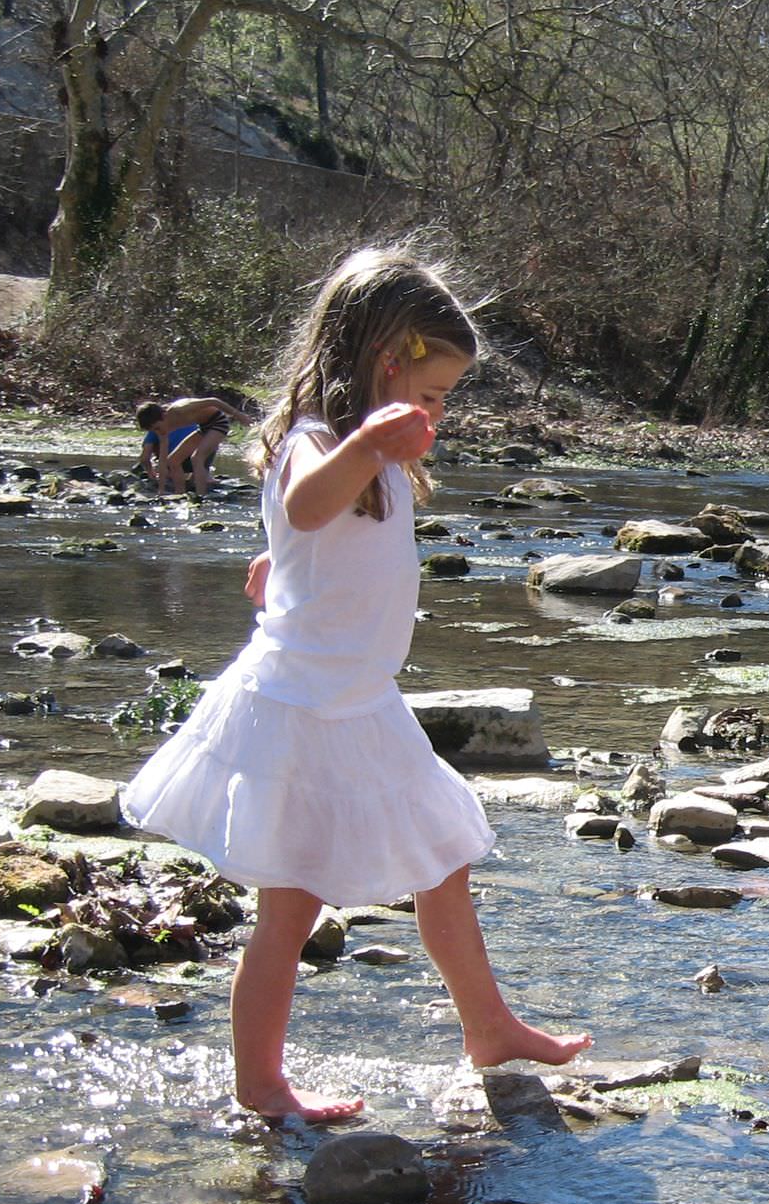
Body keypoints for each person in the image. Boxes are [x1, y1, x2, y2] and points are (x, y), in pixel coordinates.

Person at [122, 247, 590, 1122]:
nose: (438, 412)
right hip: (302, 711)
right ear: (385, 362)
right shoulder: (318, 439)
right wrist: (367, 449)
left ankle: (488, 1026)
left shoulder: (369, 455)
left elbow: (313, 538)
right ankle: (260, 1084)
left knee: (443, 859)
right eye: (434, 393)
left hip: (360, 701)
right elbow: (303, 504)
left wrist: (284, 564)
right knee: (290, 907)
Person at [136, 395, 252, 497]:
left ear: (164, 415)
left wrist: (239, 415)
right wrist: (161, 489)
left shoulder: (180, 409)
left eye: (157, 428)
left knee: (197, 458)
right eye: (154, 431)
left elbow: (213, 401)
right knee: (172, 460)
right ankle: (179, 494)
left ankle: (201, 496)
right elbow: (162, 459)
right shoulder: (162, 430)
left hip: (218, 422)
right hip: (203, 427)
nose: (158, 432)